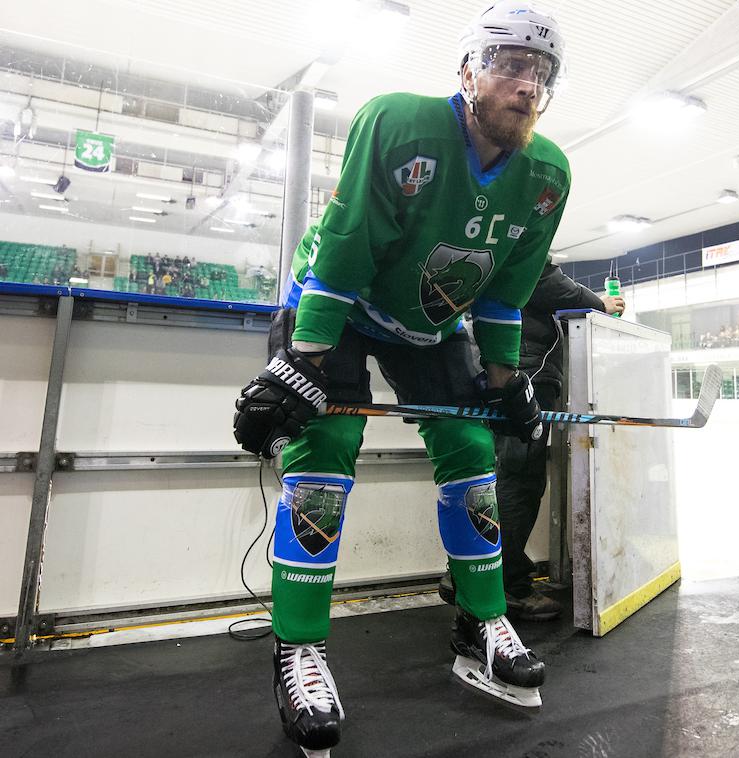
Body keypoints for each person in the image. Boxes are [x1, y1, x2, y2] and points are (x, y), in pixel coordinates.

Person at [232, 2, 570, 754]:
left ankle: (480, 618)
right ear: (468, 70)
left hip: (429, 322)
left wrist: (505, 380)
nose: (526, 83)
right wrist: (305, 363)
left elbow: (508, 288)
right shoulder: (399, 123)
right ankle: (300, 646)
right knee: (322, 454)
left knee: (471, 448)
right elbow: (347, 247)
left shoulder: (549, 174)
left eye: (540, 72)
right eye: (510, 63)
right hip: (338, 302)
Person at [439, 261, 623, 620]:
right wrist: (599, 304)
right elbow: (544, 279)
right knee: (519, 479)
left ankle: (464, 573)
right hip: (524, 373)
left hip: (499, 365)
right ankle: (506, 585)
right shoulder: (522, 228)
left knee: (491, 476)